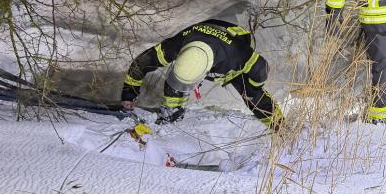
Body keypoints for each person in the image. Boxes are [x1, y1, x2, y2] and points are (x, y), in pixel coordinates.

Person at [121, 19, 282, 129]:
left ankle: (279, 125)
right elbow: (141, 64)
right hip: (202, 34)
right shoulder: (176, 44)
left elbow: (261, 69)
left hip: (234, 39)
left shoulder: (237, 56)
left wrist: (253, 85)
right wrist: (128, 95)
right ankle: (171, 115)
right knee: (175, 86)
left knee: (251, 94)